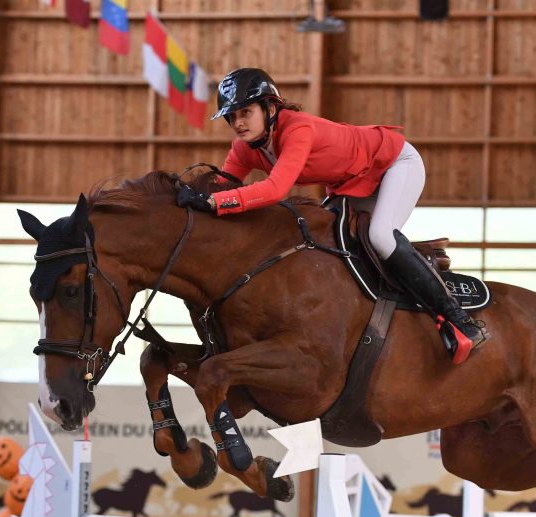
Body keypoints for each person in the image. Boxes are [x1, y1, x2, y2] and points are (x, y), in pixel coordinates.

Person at [175, 67, 487, 364]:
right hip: (349, 184)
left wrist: (213, 203)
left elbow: (273, 190)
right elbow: (222, 186)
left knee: (380, 235)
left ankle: (460, 320)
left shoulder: (297, 128)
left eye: (245, 112)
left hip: (393, 164)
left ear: (270, 108)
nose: (239, 123)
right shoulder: (245, 148)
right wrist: (186, 199)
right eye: (232, 117)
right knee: (324, 242)